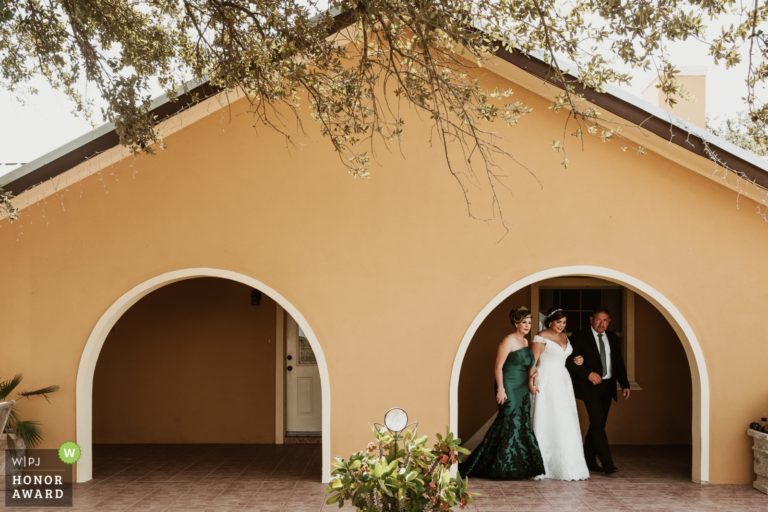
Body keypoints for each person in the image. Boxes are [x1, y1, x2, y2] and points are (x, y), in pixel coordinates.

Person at [459, 306, 545, 479]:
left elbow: (528, 367)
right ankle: (502, 465)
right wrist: (500, 388)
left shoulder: (526, 342)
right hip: (508, 385)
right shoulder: (508, 340)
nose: (528, 326)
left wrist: (531, 383)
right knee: (509, 421)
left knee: (521, 423)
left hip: (521, 387)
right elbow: (498, 367)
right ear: (516, 323)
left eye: (529, 322)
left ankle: (517, 466)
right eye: (524, 322)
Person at [567, 308, 630, 475]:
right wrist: (588, 373)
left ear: (609, 322)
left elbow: (618, 362)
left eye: (605, 321)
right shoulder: (580, 337)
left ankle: (588, 460)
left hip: (607, 387)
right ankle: (608, 464)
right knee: (598, 423)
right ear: (591, 320)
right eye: (598, 320)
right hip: (589, 387)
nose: (602, 324)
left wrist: (625, 384)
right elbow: (569, 361)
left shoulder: (612, 338)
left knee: (597, 424)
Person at [530, 307, 590, 480]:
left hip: (563, 380)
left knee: (565, 419)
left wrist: (577, 359)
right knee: (547, 417)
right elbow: (533, 362)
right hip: (546, 380)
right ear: (550, 321)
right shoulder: (541, 336)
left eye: (564, 322)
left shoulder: (564, 336)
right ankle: (543, 465)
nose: (561, 325)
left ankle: (567, 464)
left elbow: (562, 357)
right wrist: (531, 382)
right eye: (558, 322)